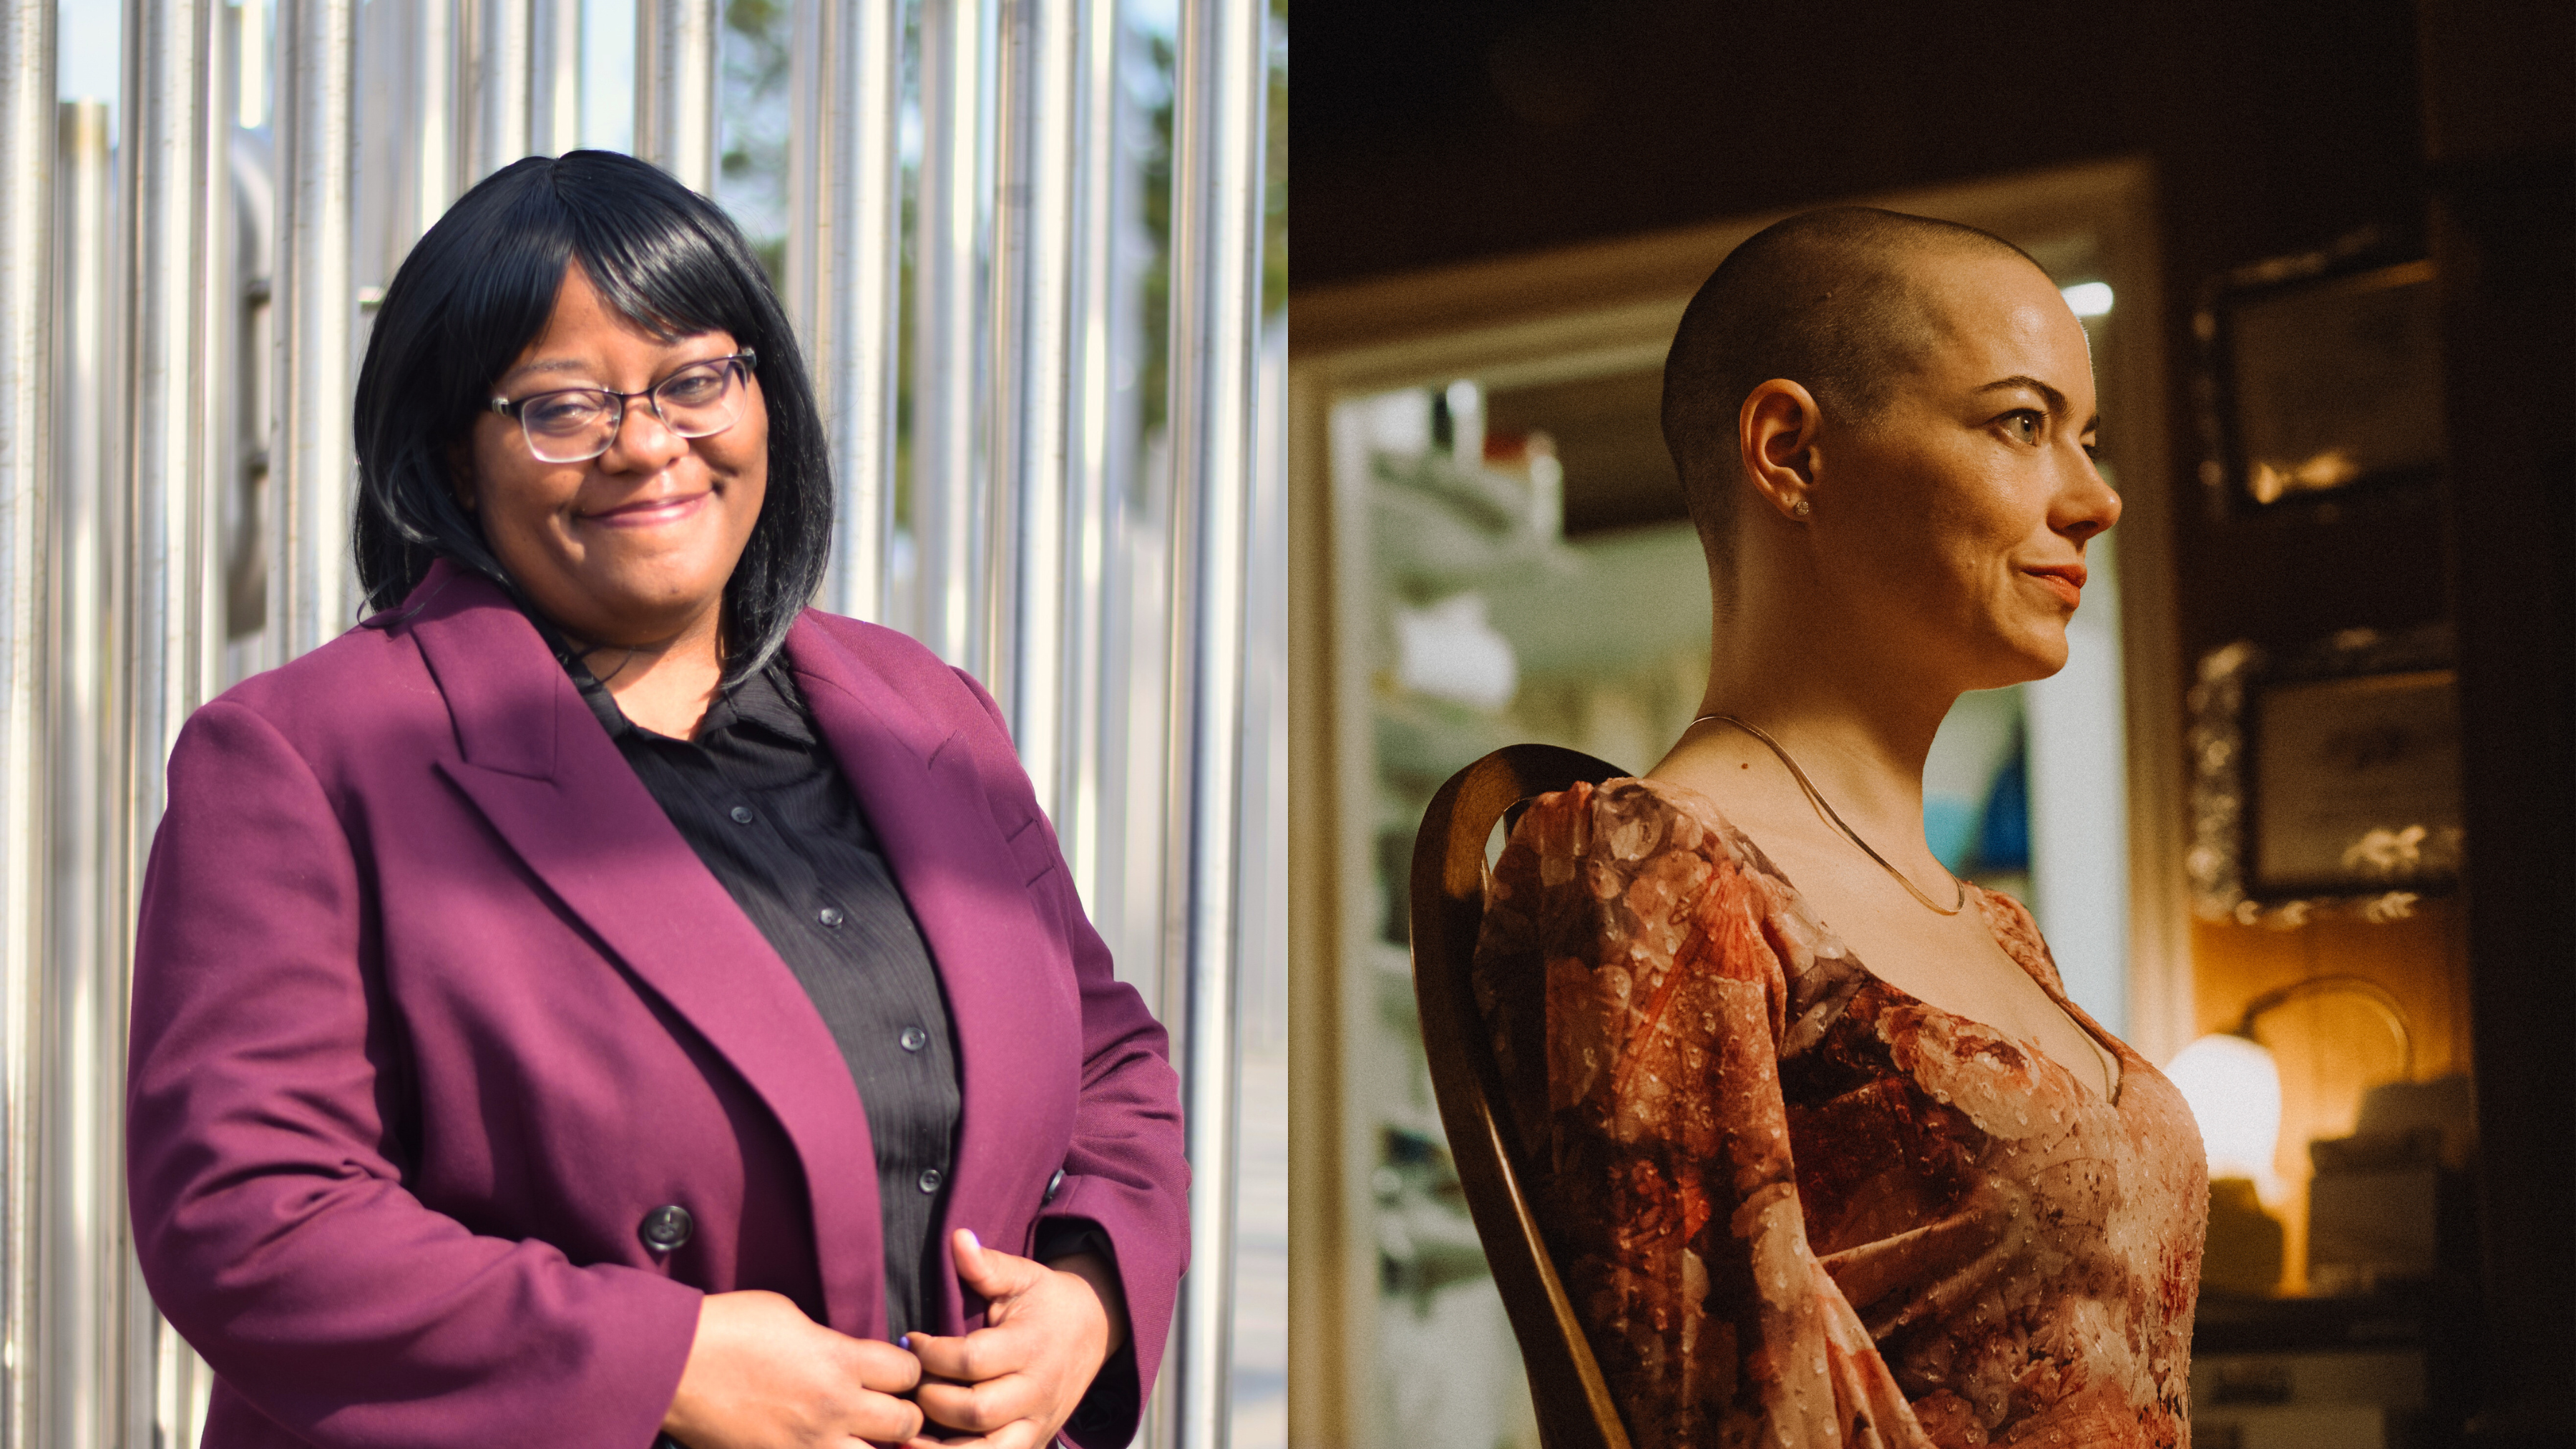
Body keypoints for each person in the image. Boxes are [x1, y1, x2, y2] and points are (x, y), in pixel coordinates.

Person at [126, 150, 1186, 1449]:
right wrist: (663, 1362)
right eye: (562, 408)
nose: (646, 444)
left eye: (695, 379)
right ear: (458, 464)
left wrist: (1089, 1296)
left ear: (762, 398)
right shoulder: (303, 755)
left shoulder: (925, 708)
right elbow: (248, 1214)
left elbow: (1110, 1064)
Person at [1472, 208, 2204, 1448]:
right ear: (1789, 449)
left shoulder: (1999, 932)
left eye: (2088, 437)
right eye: (2023, 425)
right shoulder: (1650, 867)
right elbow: (1720, 1418)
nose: (2098, 498)